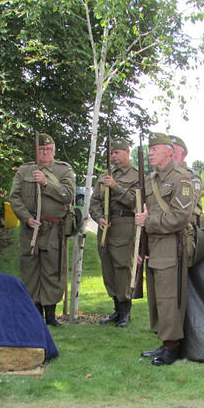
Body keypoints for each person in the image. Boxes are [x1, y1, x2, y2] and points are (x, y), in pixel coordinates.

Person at [135, 133, 193, 366]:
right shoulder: (150, 180)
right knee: (157, 297)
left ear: (169, 151)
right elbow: (140, 211)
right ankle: (164, 340)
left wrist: (148, 222)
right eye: (149, 150)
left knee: (170, 297)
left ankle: (172, 347)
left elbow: (180, 216)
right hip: (154, 245)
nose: (150, 153)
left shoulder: (181, 179)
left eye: (155, 149)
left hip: (172, 244)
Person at [9, 133, 76, 326]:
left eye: (48, 149)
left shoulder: (63, 171)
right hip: (31, 228)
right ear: (36, 151)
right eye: (41, 149)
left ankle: (51, 314)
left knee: (52, 270)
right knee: (30, 270)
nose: (44, 153)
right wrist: (26, 218)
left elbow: (67, 195)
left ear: (54, 151)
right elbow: (15, 197)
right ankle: (34, 312)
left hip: (54, 228)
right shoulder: (24, 171)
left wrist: (47, 183)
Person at [89, 140, 139, 328]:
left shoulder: (136, 175)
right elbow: (94, 201)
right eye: (111, 153)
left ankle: (126, 311)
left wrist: (115, 186)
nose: (114, 157)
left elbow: (135, 202)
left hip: (124, 226)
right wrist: (98, 217)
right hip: (105, 228)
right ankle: (116, 310)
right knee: (108, 269)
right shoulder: (104, 176)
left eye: (117, 152)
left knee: (122, 269)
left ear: (127, 152)